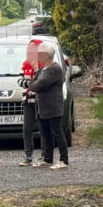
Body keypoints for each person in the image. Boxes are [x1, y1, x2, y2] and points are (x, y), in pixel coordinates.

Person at [28, 44, 68, 170]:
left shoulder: (55, 69)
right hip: (42, 108)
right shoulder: (42, 69)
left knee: (57, 133)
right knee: (45, 133)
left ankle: (64, 160)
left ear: (46, 55)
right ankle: (47, 158)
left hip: (53, 107)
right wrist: (31, 83)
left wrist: (30, 84)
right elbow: (33, 82)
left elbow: (39, 84)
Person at [17, 38, 45, 166]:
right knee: (26, 129)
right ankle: (28, 156)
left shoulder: (44, 65)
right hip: (28, 100)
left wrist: (35, 71)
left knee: (43, 128)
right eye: (29, 48)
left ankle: (44, 156)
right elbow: (20, 81)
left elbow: (42, 82)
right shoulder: (25, 64)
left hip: (41, 100)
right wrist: (30, 83)